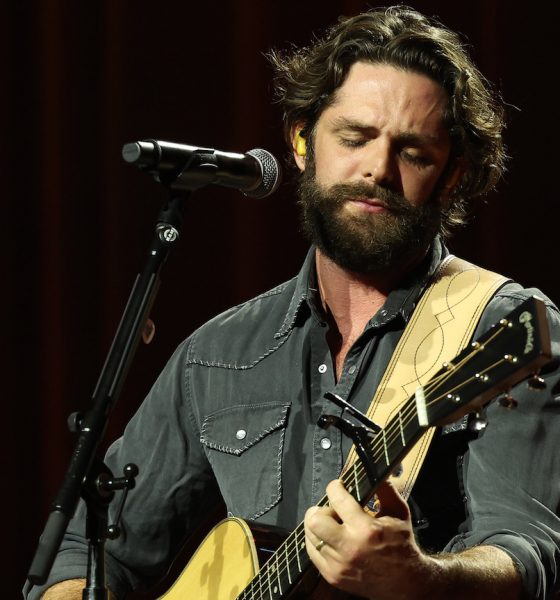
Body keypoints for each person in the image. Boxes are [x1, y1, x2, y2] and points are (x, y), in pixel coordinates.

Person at [27, 6, 560, 600]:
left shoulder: (497, 325)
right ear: (304, 142)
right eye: (354, 137)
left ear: (453, 175)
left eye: (413, 153)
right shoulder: (218, 355)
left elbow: (531, 557)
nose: (377, 170)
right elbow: (90, 554)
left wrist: (417, 578)